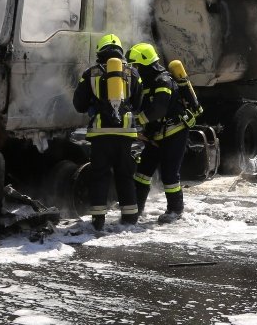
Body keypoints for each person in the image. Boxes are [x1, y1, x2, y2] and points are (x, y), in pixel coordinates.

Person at [72, 34, 144, 231]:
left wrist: (94, 106)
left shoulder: (90, 73)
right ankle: (130, 218)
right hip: (126, 133)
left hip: (100, 134)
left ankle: (98, 220)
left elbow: (78, 104)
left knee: (100, 175)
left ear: (100, 51)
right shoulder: (133, 73)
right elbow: (138, 104)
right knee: (125, 174)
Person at [128, 42, 200, 224]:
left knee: (169, 174)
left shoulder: (164, 81)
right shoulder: (146, 82)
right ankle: (137, 207)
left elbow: (158, 109)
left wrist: (136, 121)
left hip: (175, 132)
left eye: (136, 65)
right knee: (143, 172)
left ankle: (175, 209)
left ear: (145, 63)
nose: (134, 69)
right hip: (157, 134)